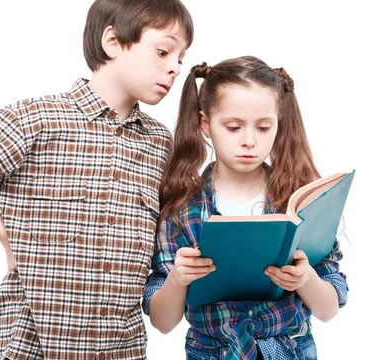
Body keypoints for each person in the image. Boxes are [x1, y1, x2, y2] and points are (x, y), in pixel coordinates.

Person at [0, 0, 193, 360]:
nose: (174, 67)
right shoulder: (39, 119)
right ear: (113, 42)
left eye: (181, 58)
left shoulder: (160, 142)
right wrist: (7, 235)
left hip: (120, 346)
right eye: (163, 51)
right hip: (32, 342)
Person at [143, 56, 348, 359]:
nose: (249, 141)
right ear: (206, 125)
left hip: (288, 350)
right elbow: (162, 322)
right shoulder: (183, 209)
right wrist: (177, 279)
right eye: (234, 127)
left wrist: (305, 279)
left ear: (278, 126)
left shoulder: (297, 202)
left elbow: (329, 309)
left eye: (264, 128)